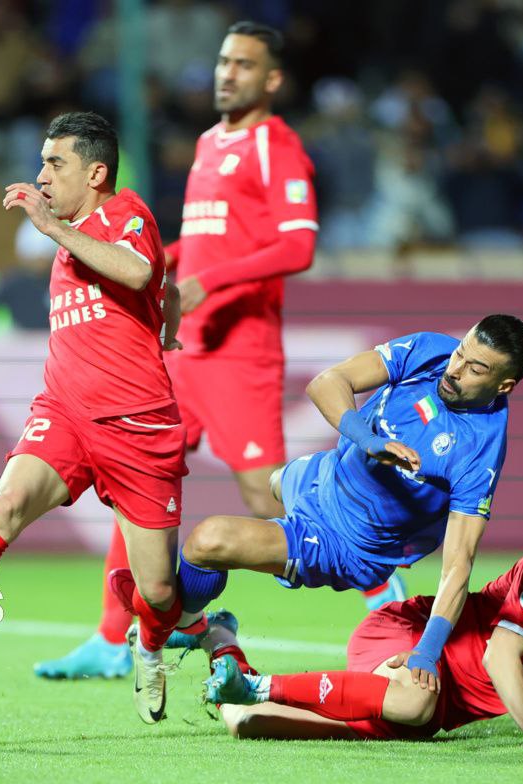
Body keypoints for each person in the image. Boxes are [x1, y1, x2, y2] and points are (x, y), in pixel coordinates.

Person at [36, 21, 403, 681]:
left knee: (263, 497)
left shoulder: (278, 146)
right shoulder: (209, 142)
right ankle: (109, 638)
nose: (226, 73)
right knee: (136, 484)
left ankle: (379, 581)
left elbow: (298, 245)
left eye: (243, 64)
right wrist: (158, 262)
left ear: (272, 79)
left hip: (240, 351)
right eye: (223, 61)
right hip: (184, 354)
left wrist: (208, 282)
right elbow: (200, 246)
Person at [0, 111, 187, 726]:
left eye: (56, 163)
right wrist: (167, 326)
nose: (41, 176)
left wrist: (49, 227)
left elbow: (141, 271)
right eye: (42, 162)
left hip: (136, 424)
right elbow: (165, 290)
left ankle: (155, 643)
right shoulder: (73, 236)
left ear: (95, 172)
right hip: (65, 414)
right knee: (7, 504)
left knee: (156, 592)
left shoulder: (125, 212)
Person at [121, 317, 523, 687]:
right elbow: (327, 382)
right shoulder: (433, 352)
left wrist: (428, 650)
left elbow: (459, 564)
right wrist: (367, 439)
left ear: (503, 385)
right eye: (461, 352)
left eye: (475, 368)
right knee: (275, 481)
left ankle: (189, 624)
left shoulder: (480, 451)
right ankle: (198, 626)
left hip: (348, 543)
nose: (455, 370)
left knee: (208, 541)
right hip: (326, 474)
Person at [204, 541, 523, 744]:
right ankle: (261, 685)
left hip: (438, 715)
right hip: (417, 639)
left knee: (248, 723)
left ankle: (221, 643)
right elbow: (500, 655)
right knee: (412, 702)